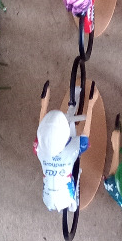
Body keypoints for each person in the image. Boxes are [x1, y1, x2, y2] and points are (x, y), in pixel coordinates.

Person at [34, 81, 99, 213]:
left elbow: (41, 132)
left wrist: (44, 104)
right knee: (75, 168)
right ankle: (73, 202)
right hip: (64, 198)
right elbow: (85, 135)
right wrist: (91, 105)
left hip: (47, 199)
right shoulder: (68, 149)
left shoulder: (39, 148)